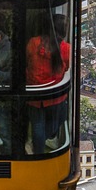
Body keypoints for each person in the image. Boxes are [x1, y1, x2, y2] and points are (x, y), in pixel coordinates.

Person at [25, 14, 71, 154]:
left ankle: (37, 153)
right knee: (56, 121)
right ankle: (42, 143)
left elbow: (26, 60)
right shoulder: (65, 48)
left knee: (37, 125)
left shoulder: (34, 43)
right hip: (55, 95)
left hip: (34, 94)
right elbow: (67, 67)